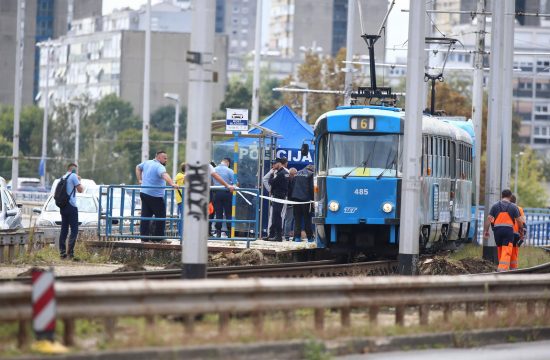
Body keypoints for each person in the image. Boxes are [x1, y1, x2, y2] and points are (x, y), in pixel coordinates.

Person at [136, 150, 179, 243]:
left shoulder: (147, 163)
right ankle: (158, 238)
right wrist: (172, 183)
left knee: (145, 216)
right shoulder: (159, 166)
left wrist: (140, 180)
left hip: (144, 193)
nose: (166, 160)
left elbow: (138, 167)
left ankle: (144, 238)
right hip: (155, 196)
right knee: (161, 216)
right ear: (159, 157)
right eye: (165, 158)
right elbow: (164, 175)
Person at [483, 189, 524, 272]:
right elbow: (519, 220)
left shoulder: (495, 206)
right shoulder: (513, 207)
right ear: (510, 196)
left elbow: (489, 219)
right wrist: (521, 229)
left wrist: (486, 231)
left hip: (497, 231)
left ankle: (501, 267)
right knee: (506, 250)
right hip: (507, 231)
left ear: (502, 196)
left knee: (500, 249)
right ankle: (502, 270)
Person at [58, 163, 84, 260]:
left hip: (63, 206)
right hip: (71, 206)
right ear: (73, 170)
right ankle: (70, 253)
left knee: (64, 229)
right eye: (76, 170)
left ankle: (62, 253)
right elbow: (80, 190)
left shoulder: (63, 177)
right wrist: (79, 180)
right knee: (74, 230)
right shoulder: (73, 176)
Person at [289, 164, 314, 242]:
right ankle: (310, 238)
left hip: (296, 199)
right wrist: (313, 199)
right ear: (312, 169)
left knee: (297, 219)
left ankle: (297, 237)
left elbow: (291, 186)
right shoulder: (311, 174)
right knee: (307, 219)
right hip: (306, 200)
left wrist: (292, 198)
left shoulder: (297, 173)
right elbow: (312, 188)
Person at [213, 158, 236, 238]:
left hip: (216, 193)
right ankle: (230, 233)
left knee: (218, 213)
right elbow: (236, 183)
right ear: (228, 163)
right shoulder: (230, 171)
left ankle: (218, 233)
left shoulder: (214, 169)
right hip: (227, 193)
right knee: (228, 213)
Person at [268, 157, 290, 241]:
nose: (273, 166)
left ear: (279, 163)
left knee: (277, 216)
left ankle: (278, 236)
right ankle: (272, 235)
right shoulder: (283, 172)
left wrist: (271, 175)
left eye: (274, 164)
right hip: (279, 196)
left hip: (279, 197)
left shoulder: (281, 173)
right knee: (275, 216)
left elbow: (271, 182)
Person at [510, 194, 526, 270]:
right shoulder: (519, 209)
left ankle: (504, 269)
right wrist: (522, 236)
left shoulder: (505, 208)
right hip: (516, 234)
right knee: (514, 253)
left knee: (505, 251)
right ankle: (514, 270)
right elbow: (523, 222)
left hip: (506, 232)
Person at [284, 168, 298, 240]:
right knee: (295, 220)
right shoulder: (295, 181)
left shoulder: (286, 180)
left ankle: (287, 236)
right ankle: (295, 236)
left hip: (288, 202)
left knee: (288, 220)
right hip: (293, 202)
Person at [175, 162, 186, 238]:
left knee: (182, 217)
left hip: (183, 200)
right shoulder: (179, 176)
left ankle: (182, 234)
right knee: (183, 217)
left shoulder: (182, 176)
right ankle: (181, 235)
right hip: (181, 199)